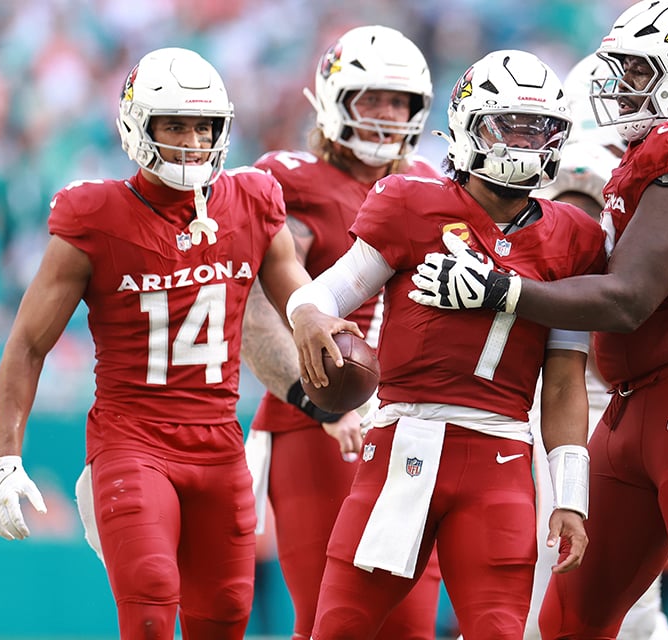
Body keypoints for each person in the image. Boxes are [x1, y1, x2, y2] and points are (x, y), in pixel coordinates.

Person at [409, 2, 668, 639]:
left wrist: (500, 290)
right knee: (569, 618)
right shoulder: (644, 153)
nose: (619, 85)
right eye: (619, 68)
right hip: (637, 398)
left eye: (639, 71)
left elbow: (629, 298)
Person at [0, 47, 341, 640]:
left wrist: (317, 323)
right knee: (149, 602)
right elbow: (26, 345)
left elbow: (294, 293)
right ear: (137, 125)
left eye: (204, 125)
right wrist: (5, 458)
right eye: (174, 124)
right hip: (132, 440)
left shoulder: (251, 199)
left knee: (224, 618)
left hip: (220, 444)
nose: (192, 140)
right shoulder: (95, 215)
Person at [286, 49, 605, 640]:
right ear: (468, 125)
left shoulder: (574, 237)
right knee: (339, 629)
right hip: (402, 439)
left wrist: (571, 496)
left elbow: (564, 382)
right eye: (509, 125)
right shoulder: (412, 202)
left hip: (502, 458)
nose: (525, 142)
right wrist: (305, 316)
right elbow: (323, 295)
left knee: (499, 630)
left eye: (540, 129)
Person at [240, 25, 442, 640]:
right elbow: (256, 313)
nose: (386, 116)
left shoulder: (432, 187)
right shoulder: (292, 181)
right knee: (331, 620)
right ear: (335, 100)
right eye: (371, 99)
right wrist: (315, 398)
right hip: (323, 424)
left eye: (398, 102)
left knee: (411, 621)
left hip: (412, 424)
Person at [525, 54, 668, 640]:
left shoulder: (654, 166)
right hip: (577, 384)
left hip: (605, 386)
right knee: (588, 590)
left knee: (610, 594)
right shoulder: (596, 170)